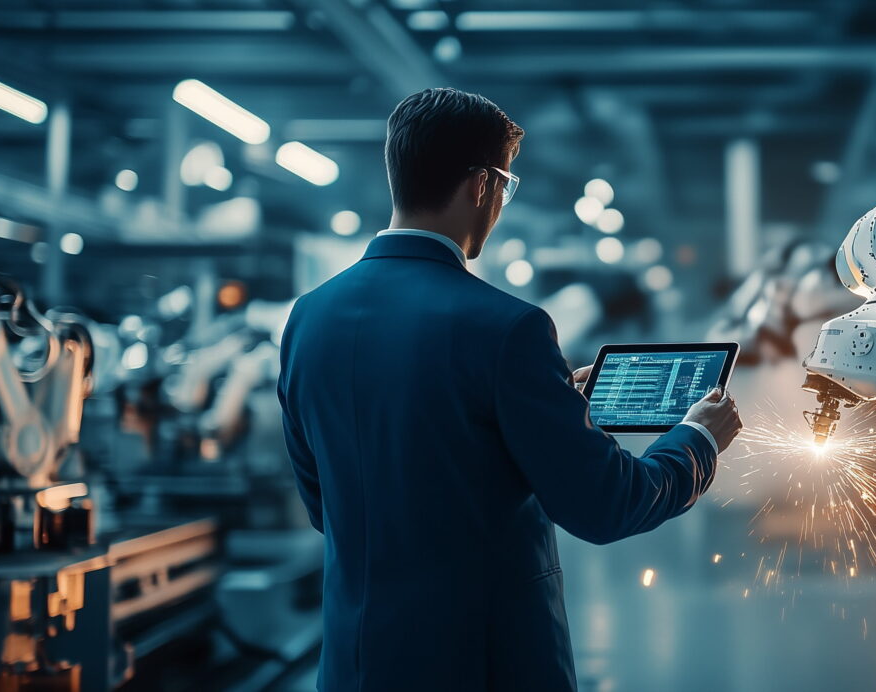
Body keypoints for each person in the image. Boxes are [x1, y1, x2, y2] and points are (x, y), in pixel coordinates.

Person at [277, 87, 743, 690]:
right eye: (506, 186)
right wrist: (696, 441)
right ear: (481, 186)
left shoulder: (307, 319)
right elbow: (607, 505)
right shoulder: (507, 327)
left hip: (354, 667)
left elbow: (327, 506)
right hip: (485, 667)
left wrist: (535, 412)